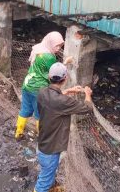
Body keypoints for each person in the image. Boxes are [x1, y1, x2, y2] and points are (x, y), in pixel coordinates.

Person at [34, 62, 93, 192]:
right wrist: (88, 94)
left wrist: (69, 91)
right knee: (43, 183)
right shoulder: (63, 102)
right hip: (50, 150)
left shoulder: (42, 92)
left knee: (46, 173)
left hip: (42, 144)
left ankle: (50, 185)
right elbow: (87, 108)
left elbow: (55, 98)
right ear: (65, 78)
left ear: (49, 77)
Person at [15, 32, 73, 139]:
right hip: (38, 89)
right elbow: (55, 72)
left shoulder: (39, 50)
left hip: (27, 84)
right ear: (50, 43)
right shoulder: (49, 56)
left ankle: (18, 133)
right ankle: (41, 136)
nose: (58, 48)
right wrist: (65, 62)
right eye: (56, 45)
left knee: (25, 109)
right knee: (40, 114)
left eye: (60, 46)